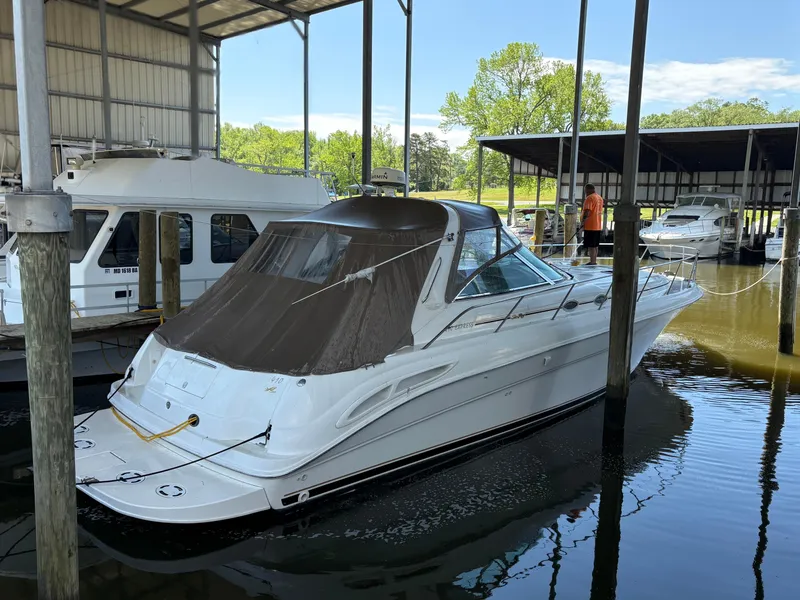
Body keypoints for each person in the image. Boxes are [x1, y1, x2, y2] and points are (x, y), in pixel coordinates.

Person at [581, 184, 603, 265]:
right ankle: (594, 260)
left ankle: (592, 261)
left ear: (588, 190)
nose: (585, 193)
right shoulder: (599, 198)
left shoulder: (589, 198)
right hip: (597, 225)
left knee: (591, 245)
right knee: (595, 245)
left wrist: (583, 222)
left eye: (585, 191)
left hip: (590, 225)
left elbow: (587, 211)